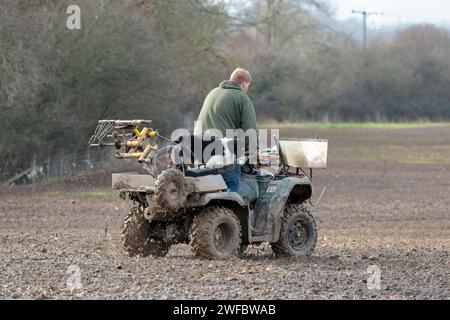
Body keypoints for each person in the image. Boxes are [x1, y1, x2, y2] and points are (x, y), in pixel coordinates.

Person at [194, 68, 258, 193]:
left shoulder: (213, 92)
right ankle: (232, 210)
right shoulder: (242, 98)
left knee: (205, 188)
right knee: (232, 186)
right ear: (244, 83)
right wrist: (254, 154)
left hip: (197, 146)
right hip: (220, 149)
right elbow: (250, 132)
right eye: (248, 86)